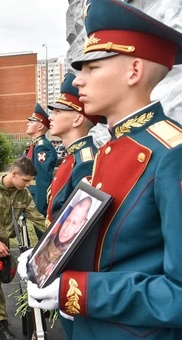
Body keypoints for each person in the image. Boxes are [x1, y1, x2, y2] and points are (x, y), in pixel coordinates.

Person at [26, 1, 182, 339]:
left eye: (92, 67)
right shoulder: (107, 150)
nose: (78, 82)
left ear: (134, 71)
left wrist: (80, 291)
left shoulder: (172, 153)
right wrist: (46, 258)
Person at [0, 157, 46, 340]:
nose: (28, 185)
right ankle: (1, 326)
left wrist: (58, 235)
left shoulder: (22, 193)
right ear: (14, 174)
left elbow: (36, 217)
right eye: (25, 180)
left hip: (3, 245)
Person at [45, 73, 100, 223]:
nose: (50, 117)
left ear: (77, 119)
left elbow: (80, 222)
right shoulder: (73, 156)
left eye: (58, 111)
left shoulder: (86, 162)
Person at [32, 196, 93, 287]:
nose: (66, 229)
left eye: (74, 223)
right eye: (68, 220)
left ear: (81, 225)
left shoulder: (74, 252)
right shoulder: (52, 237)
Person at [25, 103, 56, 224]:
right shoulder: (36, 145)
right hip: (32, 194)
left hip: (38, 198)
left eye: (32, 122)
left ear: (40, 126)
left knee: (42, 234)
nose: (28, 124)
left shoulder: (42, 148)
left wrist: (40, 208)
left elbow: (42, 180)